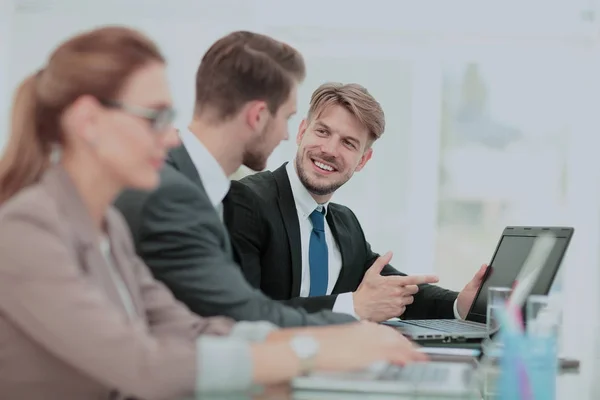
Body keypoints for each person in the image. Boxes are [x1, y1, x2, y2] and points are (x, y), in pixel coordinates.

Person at [0, 27, 425, 399]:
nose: (170, 137)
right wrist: (313, 349)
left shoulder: (106, 225)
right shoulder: (25, 230)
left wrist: (351, 337)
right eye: (155, 117)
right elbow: (141, 364)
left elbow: (192, 327)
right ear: (88, 122)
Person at [114, 31, 368, 326]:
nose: (287, 135)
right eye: (286, 118)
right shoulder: (172, 194)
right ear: (258, 116)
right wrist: (354, 329)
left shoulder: (193, 185)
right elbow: (238, 315)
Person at [224, 82, 488, 322]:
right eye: (322, 131)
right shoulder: (247, 201)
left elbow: (392, 291)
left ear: (363, 160)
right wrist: (352, 306)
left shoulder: (345, 223)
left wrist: (458, 303)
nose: (329, 150)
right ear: (302, 131)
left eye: (348, 143)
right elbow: (242, 313)